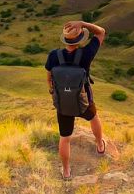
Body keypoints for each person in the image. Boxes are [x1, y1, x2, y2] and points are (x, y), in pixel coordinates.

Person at [45, 20, 106, 180]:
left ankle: (66, 171)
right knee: (94, 117)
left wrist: (52, 90)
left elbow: (49, 76)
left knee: (65, 138)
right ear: (80, 39)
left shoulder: (54, 55)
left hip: (63, 104)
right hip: (84, 101)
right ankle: (100, 145)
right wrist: (83, 23)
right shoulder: (86, 54)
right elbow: (101, 32)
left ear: (65, 40)